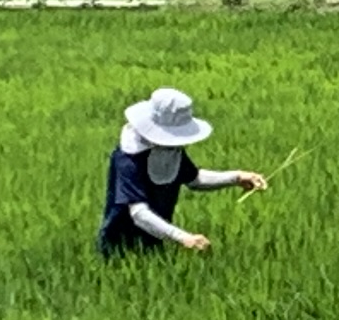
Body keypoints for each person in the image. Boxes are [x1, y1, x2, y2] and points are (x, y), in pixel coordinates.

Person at [97, 85, 268, 257]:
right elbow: (139, 213)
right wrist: (183, 238)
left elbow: (194, 179)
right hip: (118, 245)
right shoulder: (128, 159)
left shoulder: (172, 149)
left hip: (156, 240)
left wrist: (237, 177)